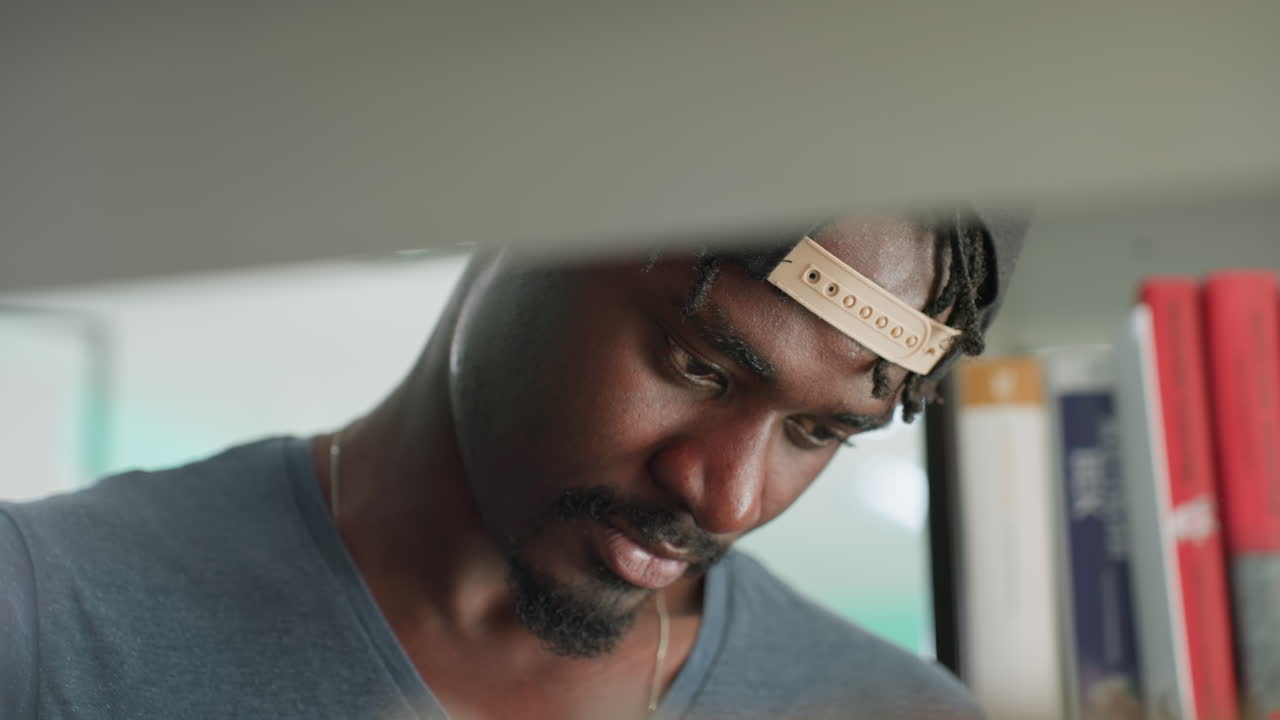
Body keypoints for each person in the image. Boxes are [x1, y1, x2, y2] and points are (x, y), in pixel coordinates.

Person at [1, 211, 1025, 719]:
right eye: (695, 366)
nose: (726, 494)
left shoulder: (892, 715)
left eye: (818, 432)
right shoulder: (52, 625)